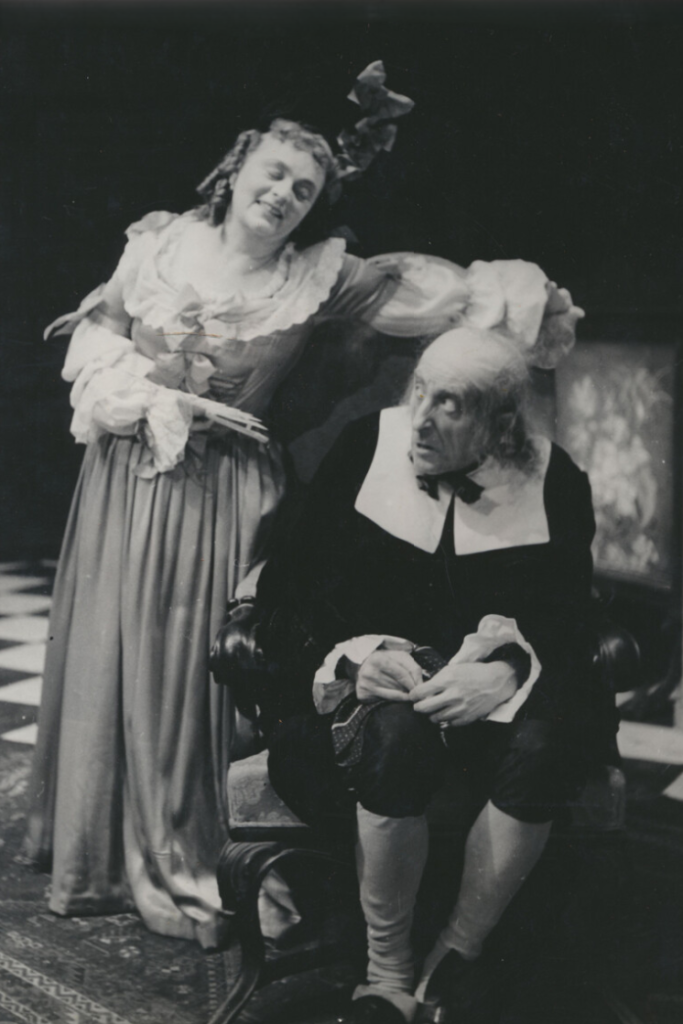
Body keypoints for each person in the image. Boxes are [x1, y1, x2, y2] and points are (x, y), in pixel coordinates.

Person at [24, 59, 584, 949]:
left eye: (304, 188)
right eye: (275, 173)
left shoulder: (323, 276)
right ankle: (97, 849)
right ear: (236, 166)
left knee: (194, 671)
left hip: (225, 496)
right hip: (125, 481)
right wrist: (130, 385)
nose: (283, 194)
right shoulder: (158, 244)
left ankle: (190, 852)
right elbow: (101, 324)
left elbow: (441, 292)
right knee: (116, 650)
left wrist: (527, 297)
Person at [248, 327, 615, 1023]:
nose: (421, 417)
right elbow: (287, 596)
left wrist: (507, 670)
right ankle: (385, 972)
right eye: (419, 389)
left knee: (546, 747)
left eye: (450, 404)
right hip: (368, 714)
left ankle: (454, 955)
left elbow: (569, 623)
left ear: (500, 424)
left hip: (489, 722)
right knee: (396, 738)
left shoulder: (555, 479)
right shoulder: (364, 447)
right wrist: (353, 663)